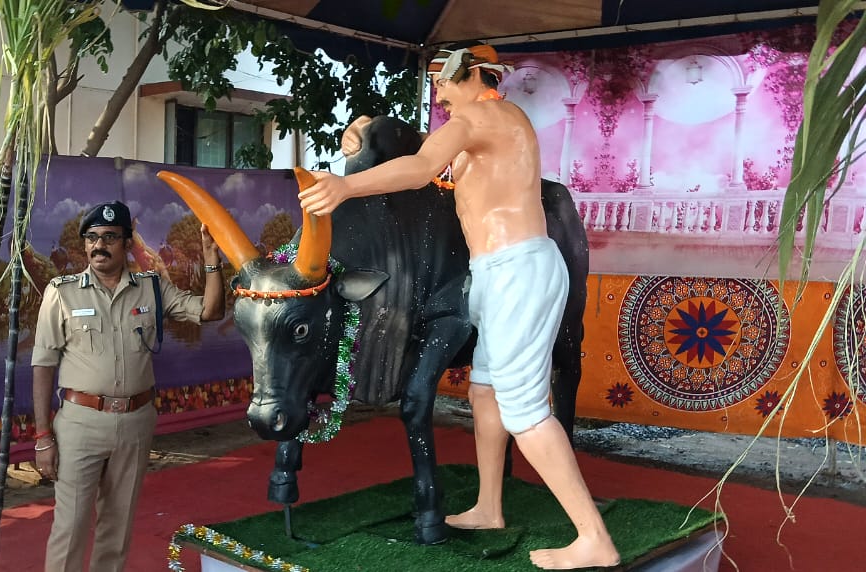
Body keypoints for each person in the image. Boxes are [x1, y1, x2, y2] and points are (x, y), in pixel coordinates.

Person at [298, 44, 620, 570]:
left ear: (468, 74)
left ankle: (594, 538)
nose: (437, 92)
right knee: (484, 392)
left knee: (524, 412)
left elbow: (420, 166)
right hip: (496, 271)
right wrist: (365, 130)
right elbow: (418, 153)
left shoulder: (481, 117)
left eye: (442, 80)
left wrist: (345, 185)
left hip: (517, 269)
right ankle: (489, 508)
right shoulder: (488, 126)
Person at [31, 200, 226, 572]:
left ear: (126, 243)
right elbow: (42, 365)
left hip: (136, 421)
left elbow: (210, 311)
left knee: (117, 527)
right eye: (91, 238)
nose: (98, 245)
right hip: (81, 424)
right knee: (70, 526)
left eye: (109, 237)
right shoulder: (62, 292)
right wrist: (43, 437)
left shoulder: (151, 289)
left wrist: (211, 259)